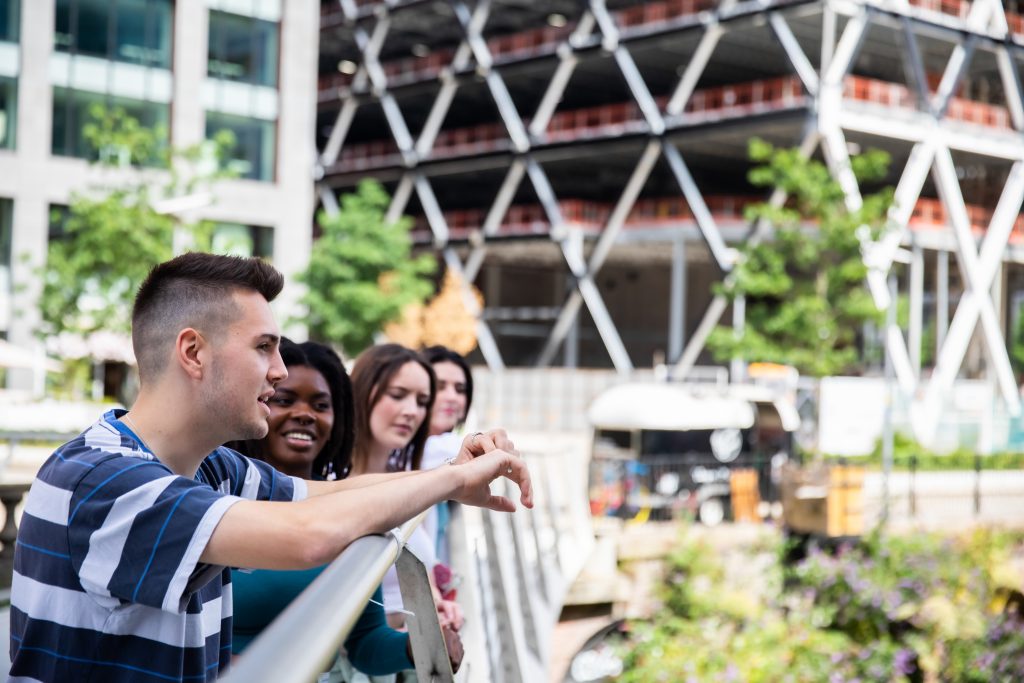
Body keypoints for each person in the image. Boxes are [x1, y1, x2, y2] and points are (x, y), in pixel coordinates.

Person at [9, 253, 530, 682]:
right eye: (264, 348)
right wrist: (451, 480)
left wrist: (448, 474)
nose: (279, 371)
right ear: (193, 351)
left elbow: (327, 495)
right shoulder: (103, 479)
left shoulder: (209, 468)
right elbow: (310, 534)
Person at [228, 338, 461, 675]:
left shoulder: (350, 509)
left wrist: (420, 645)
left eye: (321, 405)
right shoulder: (220, 495)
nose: (305, 415)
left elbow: (365, 641)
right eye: (285, 400)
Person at [348, 344, 460, 630]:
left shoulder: (407, 481)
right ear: (362, 391)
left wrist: (438, 604)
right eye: (397, 395)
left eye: (422, 402)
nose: (412, 411)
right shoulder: (328, 486)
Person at [420, 346, 474, 592]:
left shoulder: (447, 449)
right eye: (440, 386)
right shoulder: (430, 451)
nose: (452, 397)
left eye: (460, 389)